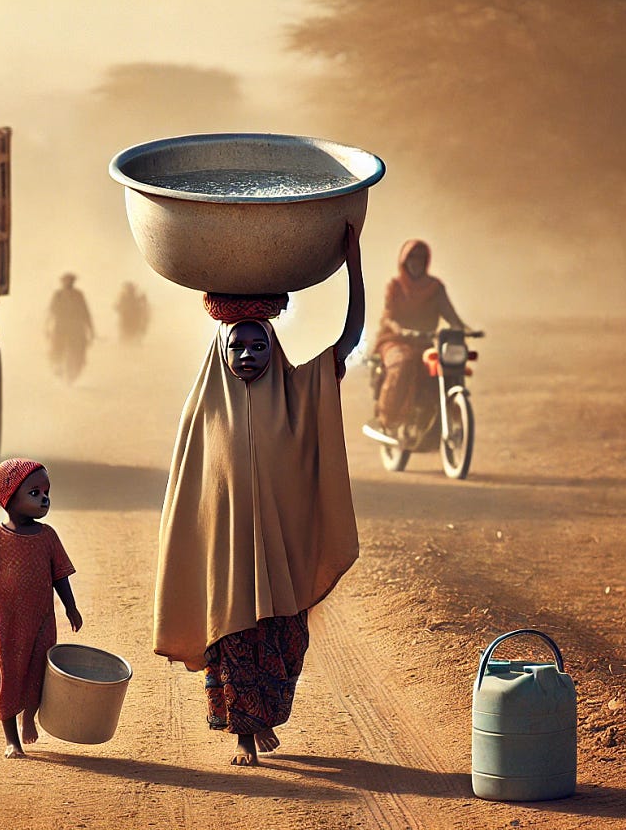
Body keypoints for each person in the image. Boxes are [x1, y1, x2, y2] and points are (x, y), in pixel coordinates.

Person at [154, 224, 364, 766]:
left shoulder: (297, 391)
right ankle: (245, 735)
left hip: (282, 561)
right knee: (236, 646)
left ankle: (263, 720)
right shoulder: (203, 410)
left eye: (257, 344)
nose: (247, 354)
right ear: (220, 351)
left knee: (285, 647)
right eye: (237, 345)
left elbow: (349, 340)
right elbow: (190, 501)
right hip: (227, 568)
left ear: (273, 346)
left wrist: (354, 263)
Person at [0, 458, 84, 759]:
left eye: (46, 492)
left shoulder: (48, 537)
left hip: (41, 621)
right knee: (7, 676)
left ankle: (29, 718)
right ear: (9, 498)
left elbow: (60, 577)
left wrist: (71, 607)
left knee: (40, 670)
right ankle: (11, 739)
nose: (44, 499)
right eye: (34, 493)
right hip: (6, 626)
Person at [370, 239, 470, 434]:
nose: (416, 262)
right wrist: (400, 330)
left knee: (447, 366)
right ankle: (388, 418)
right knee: (404, 362)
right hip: (395, 341)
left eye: (421, 258)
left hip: (425, 343)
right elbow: (388, 316)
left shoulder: (435, 287)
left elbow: (451, 315)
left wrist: (464, 329)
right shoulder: (396, 286)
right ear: (404, 261)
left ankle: (443, 416)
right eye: (412, 258)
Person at [47, 273, 95, 382]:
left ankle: (74, 373)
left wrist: (91, 330)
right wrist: (47, 327)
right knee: (56, 350)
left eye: (70, 281)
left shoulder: (79, 295)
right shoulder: (58, 295)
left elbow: (85, 312)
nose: (68, 283)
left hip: (76, 328)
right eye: (66, 281)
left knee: (79, 351)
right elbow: (50, 312)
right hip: (61, 327)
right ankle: (57, 368)